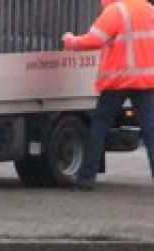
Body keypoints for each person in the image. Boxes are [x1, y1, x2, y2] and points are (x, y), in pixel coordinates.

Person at [63, 0, 154, 189]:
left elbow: (94, 40)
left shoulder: (116, 11)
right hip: (146, 80)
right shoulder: (149, 9)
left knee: (99, 128)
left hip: (117, 80)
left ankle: (86, 178)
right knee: (150, 130)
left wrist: (71, 40)